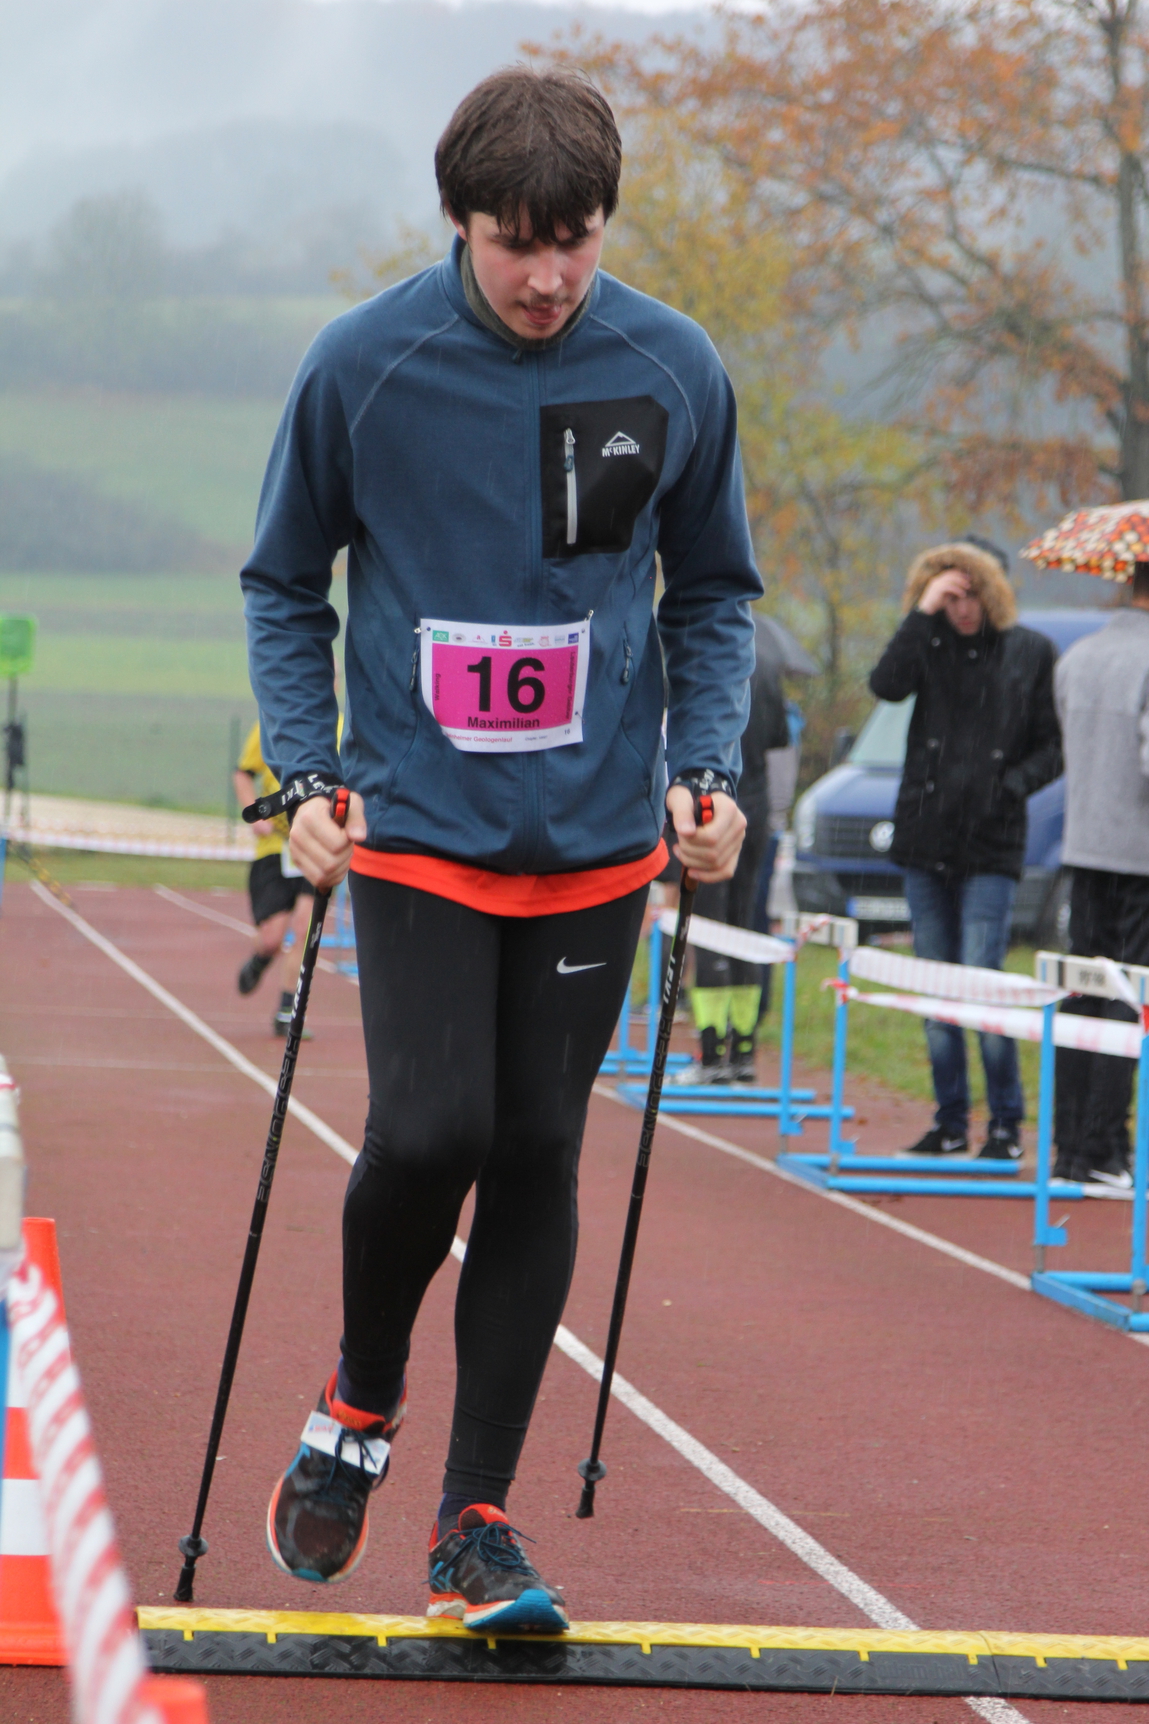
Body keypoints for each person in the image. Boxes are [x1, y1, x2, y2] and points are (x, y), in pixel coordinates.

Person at [240, 69, 760, 1630]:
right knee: (429, 1132)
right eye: (515, 241)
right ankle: (359, 1401)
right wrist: (306, 774)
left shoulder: (672, 367)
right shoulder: (364, 364)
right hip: (417, 822)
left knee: (535, 1147)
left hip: (595, 837)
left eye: (574, 239)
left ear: (606, 223)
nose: (547, 276)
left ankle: (475, 1523)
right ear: (460, 221)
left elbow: (711, 593)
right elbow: (284, 582)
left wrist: (703, 769)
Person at [869, 538, 1061, 1160]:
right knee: (935, 988)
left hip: (991, 845)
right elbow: (885, 685)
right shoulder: (927, 643)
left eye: (972, 592)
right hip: (925, 839)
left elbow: (1053, 747)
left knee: (983, 981)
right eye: (951, 595)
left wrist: (1010, 786)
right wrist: (922, 612)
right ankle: (950, 1121)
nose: (963, 606)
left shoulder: (1031, 651)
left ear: (994, 592)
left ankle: (1005, 1125)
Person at [1052, 564, 1149, 1188]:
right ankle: (1104, 1148)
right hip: (1140, 857)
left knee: (1082, 991)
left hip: (1084, 846)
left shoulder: (1078, 657)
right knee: (1128, 997)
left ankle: (1070, 1146)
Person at [673, 623, 789, 1083]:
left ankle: (711, 1054)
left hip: (710, 805)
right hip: (754, 809)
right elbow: (780, 738)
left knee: (708, 929)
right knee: (743, 926)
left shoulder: (698, 660)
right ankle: (742, 1053)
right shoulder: (767, 663)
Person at [234, 720, 316, 1036]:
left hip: (312, 846)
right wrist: (254, 814)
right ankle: (260, 959)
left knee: (305, 929)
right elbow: (243, 773)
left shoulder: (337, 729)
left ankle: (287, 1011)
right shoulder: (271, 724)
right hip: (274, 846)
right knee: (272, 939)